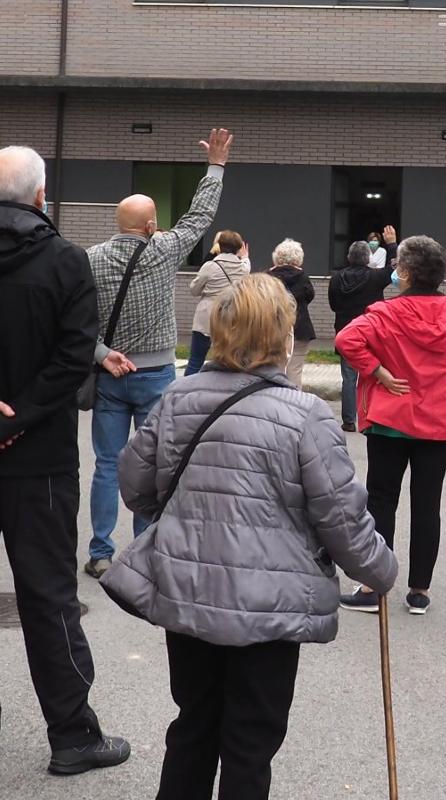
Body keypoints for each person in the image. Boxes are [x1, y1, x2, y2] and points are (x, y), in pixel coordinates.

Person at [114, 273, 397, 798]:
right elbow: (342, 518)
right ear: (282, 336)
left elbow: (134, 485)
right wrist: (380, 570)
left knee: (193, 725)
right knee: (250, 743)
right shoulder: (304, 414)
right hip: (270, 610)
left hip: (188, 591)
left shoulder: (179, 397)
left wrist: (187, 513)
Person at [0, 145, 131, 775]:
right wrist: (20, 416)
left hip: (27, 446)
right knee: (50, 597)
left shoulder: (66, 257)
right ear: (40, 196)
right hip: (40, 459)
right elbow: (76, 353)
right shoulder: (64, 260)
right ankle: (74, 737)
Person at [84, 127, 233, 580]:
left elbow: (73, 317)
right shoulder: (164, 249)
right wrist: (216, 166)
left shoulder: (90, 258)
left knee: (107, 465)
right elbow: (200, 216)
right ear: (150, 226)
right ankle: (145, 546)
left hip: (109, 373)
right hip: (155, 373)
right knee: (152, 463)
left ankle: (100, 550)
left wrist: (100, 352)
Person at [336, 235, 446, 616]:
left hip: (389, 421)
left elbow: (347, 340)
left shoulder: (384, 312)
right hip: (440, 424)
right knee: (427, 506)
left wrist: (377, 371)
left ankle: (372, 586)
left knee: (381, 501)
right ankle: (419, 591)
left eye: (397, 265)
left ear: (407, 274)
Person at [330, 231, 398, 432]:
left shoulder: (336, 279)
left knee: (348, 378)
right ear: (368, 258)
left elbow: (334, 306)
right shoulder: (376, 277)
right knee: (374, 374)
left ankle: (349, 421)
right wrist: (392, 244)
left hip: (346, 332)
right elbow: (395, 266)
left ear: (349, 257)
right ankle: (372, 417)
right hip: (372, 332)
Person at [186, 230, 250, 377]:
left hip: (206, 317)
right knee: (228, 360)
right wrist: (245, 256)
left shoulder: (210, 266)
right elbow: (246, 262)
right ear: (239, 247)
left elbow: (194, 290)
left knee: (196, 360)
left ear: (219, 246)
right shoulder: (243, 268)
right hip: (231, 316)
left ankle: (186, 390)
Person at [267, 238, 316, 389]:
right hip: (300, 329)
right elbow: (309, 296)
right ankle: (294, 404)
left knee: (273, 370)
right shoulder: (303, 278)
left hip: (273, 330)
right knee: (295, 371)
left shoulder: (267, 277)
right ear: (298, 258)